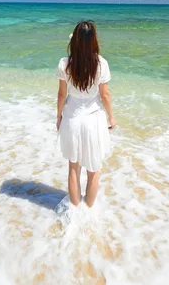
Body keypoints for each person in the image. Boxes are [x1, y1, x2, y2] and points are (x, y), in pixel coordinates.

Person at [56, 20, 116, 207]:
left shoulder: (65, 63)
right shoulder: (101, 63)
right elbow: (105, 94)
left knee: (74, 168)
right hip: (94, 120)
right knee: (94, 169)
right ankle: (89, 212)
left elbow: (61, 94)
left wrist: (58, 117)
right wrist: (111, 116)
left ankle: (74, 211)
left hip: (72, 119)